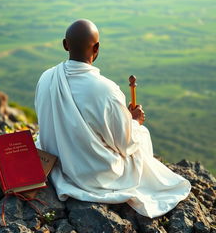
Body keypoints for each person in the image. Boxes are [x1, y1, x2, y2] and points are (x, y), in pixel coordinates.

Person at [34, 19, 191, 218]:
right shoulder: (106, 89)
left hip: (55, 161)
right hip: (92, 176)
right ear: (97, 48)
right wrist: (134, 122)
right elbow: (125, 144)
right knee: (141, 135)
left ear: (65, 44)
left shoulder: (46, 77)